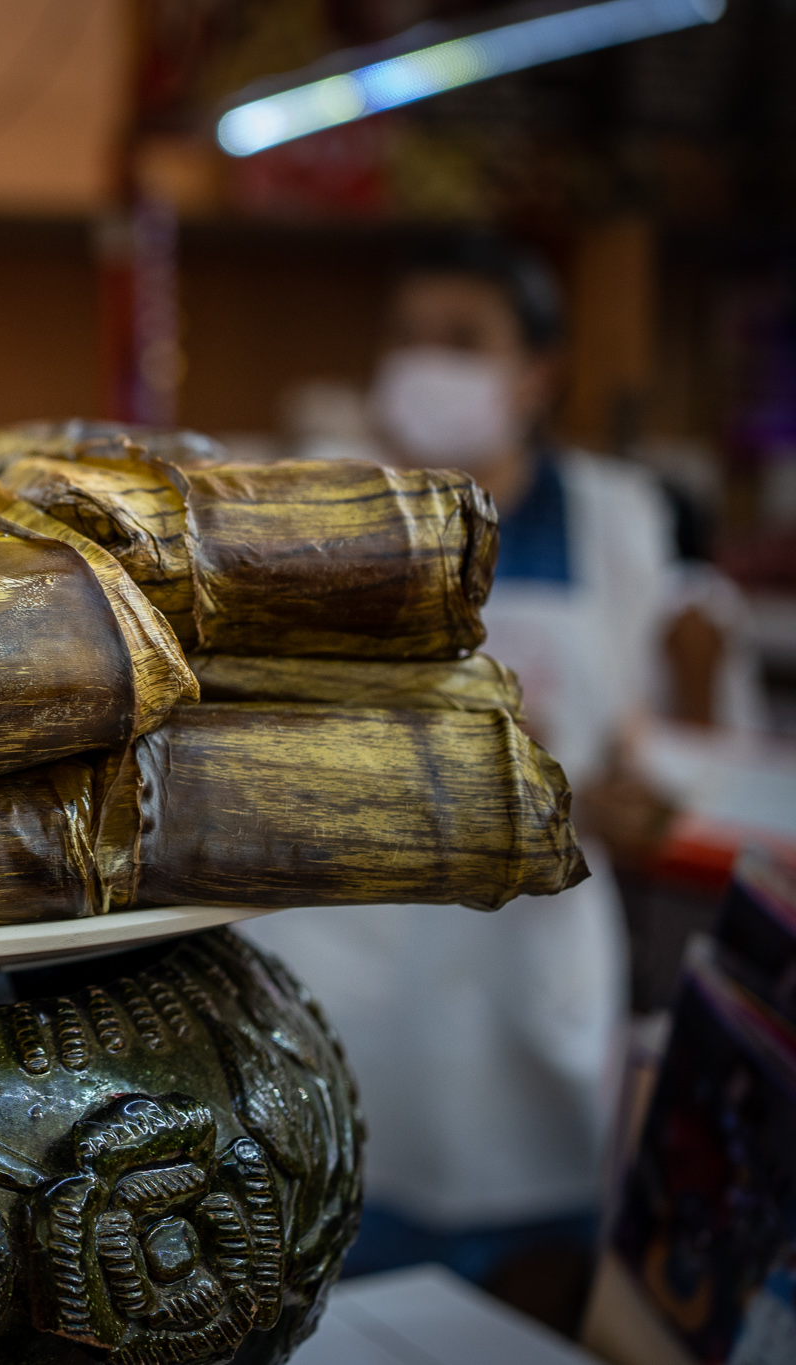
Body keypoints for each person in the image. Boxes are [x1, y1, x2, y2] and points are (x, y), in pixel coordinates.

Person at [238, 237, 676, 1297]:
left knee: (527, 1297)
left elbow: (633, 739)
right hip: (348, 980)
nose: (422, 364)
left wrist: (625, 801)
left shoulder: (612, 520)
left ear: (536, 373)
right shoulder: (316, 510)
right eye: (404, 338)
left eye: (460, 342)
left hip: (527, 990)